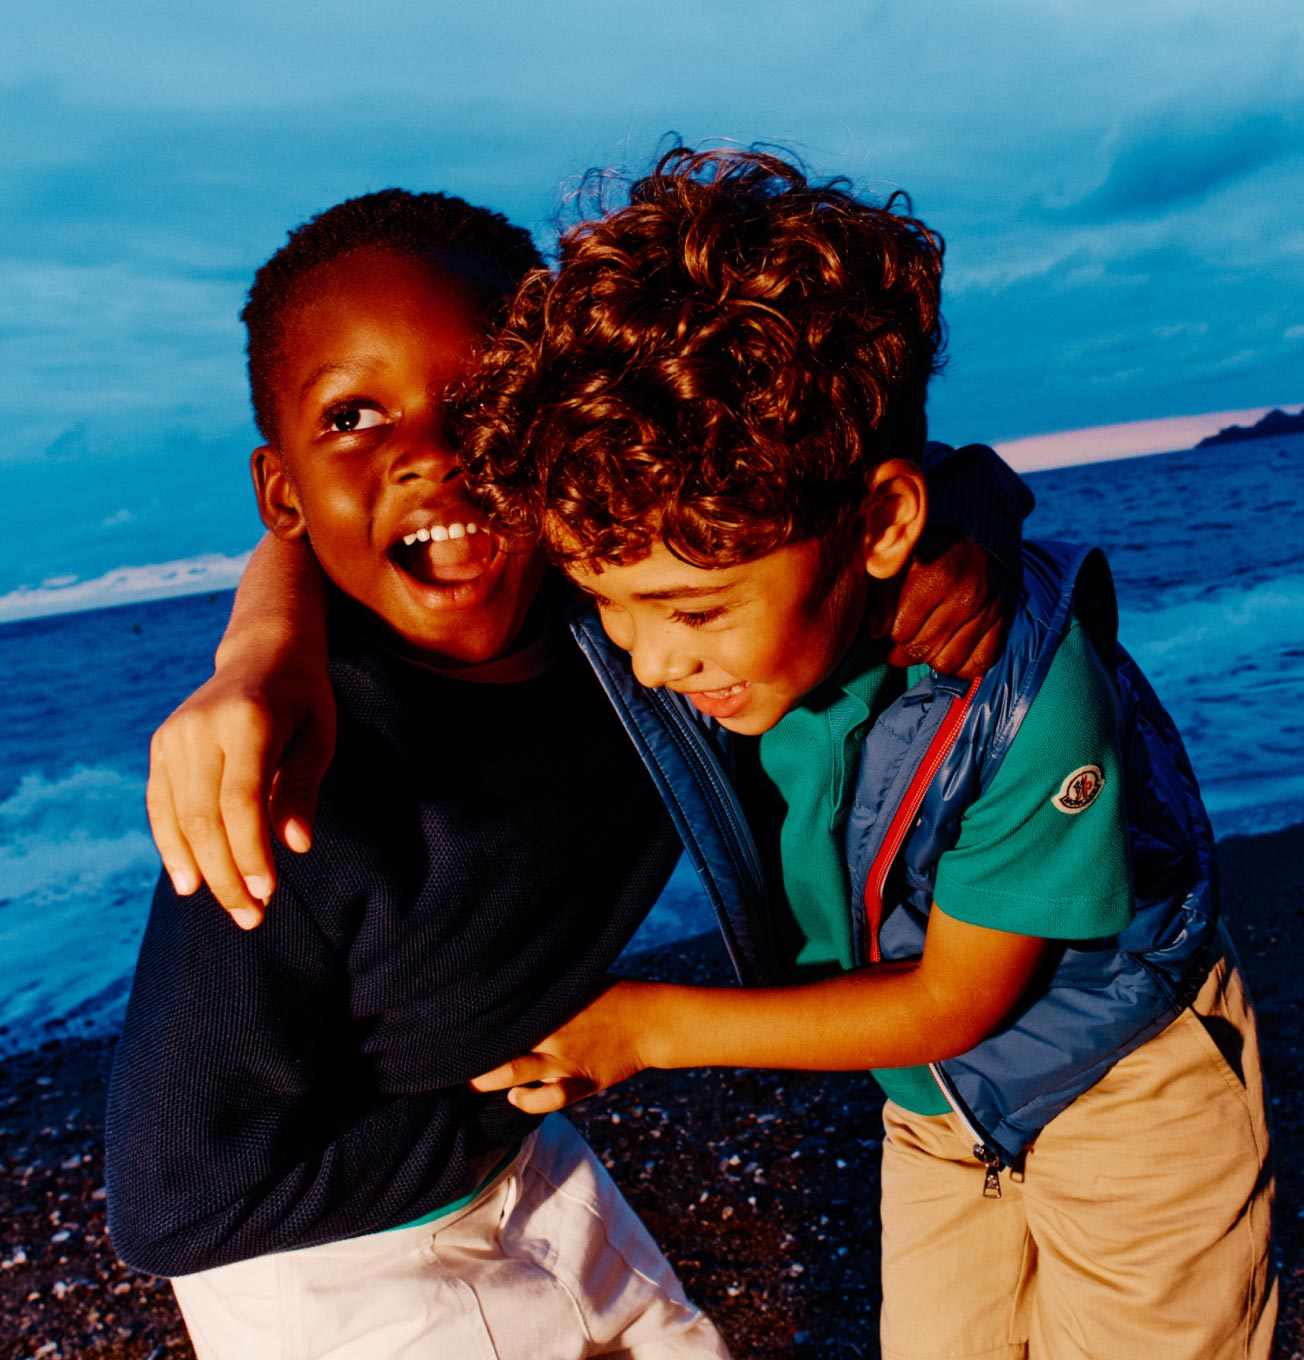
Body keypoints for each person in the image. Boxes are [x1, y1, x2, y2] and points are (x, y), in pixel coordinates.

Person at [111, 187, 1020, 1358]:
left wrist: (967, 521)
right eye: (353, 416)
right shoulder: (290, 792)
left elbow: (840, 491)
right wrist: (265, 640)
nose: (431, 454)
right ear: (280, 494)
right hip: (330, 1272)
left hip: (526, 1158)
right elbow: (175, 1202)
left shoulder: (632, 632)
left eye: (482, 399)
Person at [459, 147, 1277, 1360]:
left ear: (886, 523)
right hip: (939, 1117)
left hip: (1127, 1093)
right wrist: (260, 648)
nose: (648, 663)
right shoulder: (729, 578)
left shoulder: (1024, 704)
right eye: (607, 604)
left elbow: (956, 998)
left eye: (688, 610)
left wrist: (642, 1027)